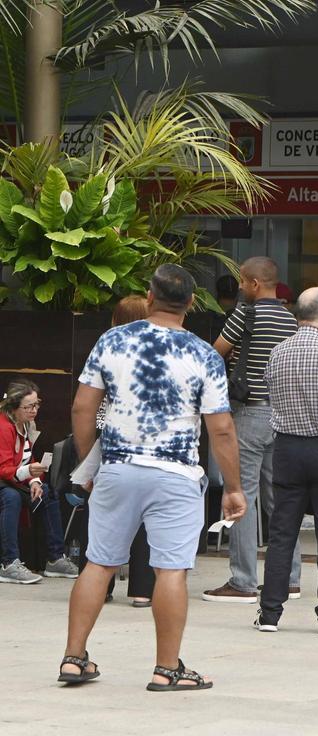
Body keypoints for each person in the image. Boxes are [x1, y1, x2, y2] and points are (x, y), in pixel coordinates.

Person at [61, 264, 247, 690]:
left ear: (149, 296)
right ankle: (167, 669)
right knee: (170, 570)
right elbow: (220, 429)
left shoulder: (112, 340)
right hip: (176, 475)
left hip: (119, 468)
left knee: (100, 562)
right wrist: (234, 488)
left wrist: (92, 463)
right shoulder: (203, 354)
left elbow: (81, 409)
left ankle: (73, 658)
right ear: (192, 304)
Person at [255, 287, 318, 634]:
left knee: (282, 532)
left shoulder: (277, 353)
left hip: (287, 449)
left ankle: (269, 613)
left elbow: (269, 391)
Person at [203, 257, 302, 604]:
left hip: (249, 415)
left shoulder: (245, 314)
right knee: (283, 499)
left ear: (256, 284)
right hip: (285, 418)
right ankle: (290, 578)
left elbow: (216, 354)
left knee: (241, 496)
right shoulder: (291, 320)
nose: (240, 288)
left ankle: (243, 580)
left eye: (243, 282)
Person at [102, 296, 155, 607]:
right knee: (146, 518)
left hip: (112, 442)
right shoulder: (159, 349)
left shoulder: (107, 347)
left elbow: (90, 403)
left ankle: (102, 586)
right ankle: (142, 589)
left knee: (108, 519)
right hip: (150, 444)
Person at [0, 381, 78, 584]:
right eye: (29, 406)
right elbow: (3, 467)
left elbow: (27, 458)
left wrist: (34, 480)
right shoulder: (3, 427)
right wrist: (28, 472)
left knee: (46, 493)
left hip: (13, 480)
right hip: (5, 483)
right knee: (11, 497)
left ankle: (55, 558)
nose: (34, 410)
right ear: (14, 407)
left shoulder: (26, 425)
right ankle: (9, 563)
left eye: (37, 404)